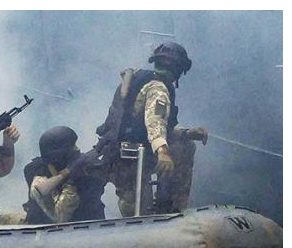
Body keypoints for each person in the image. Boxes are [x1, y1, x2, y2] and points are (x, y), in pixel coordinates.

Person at [96, 42, 207, 216]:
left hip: (122, 154)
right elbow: (155, 121)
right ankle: (172, 208)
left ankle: (165, 203)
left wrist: (186, 133)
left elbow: (149, 123)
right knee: (141, 213)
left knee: (185, 145)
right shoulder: (159, 90)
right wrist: (162, 152)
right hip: (134, 159)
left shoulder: (138, 80)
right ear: (179, 69)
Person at [23, 126, 106, 224]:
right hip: (45, 231)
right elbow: (60, 218)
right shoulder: (35, 171)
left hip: (89, 230)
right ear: (59, 157)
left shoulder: (90, 171)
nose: (78, 150)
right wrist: (70, 180)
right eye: (73, 147)